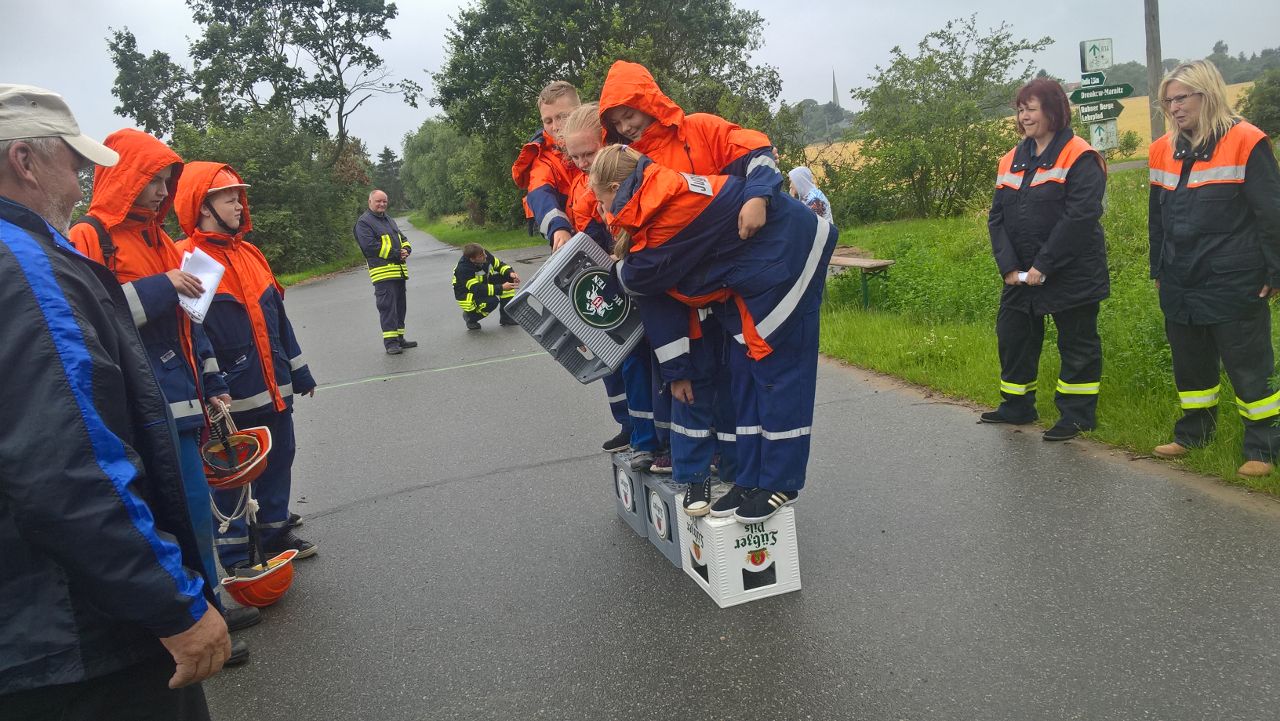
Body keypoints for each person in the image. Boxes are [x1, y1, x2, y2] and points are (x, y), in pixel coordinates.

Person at [0, 83, 228, 720]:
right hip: (81, 632)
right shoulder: (23, 268)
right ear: (24, 161)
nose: (79, 185)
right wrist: (173, 604)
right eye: (73, 165)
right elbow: (68, 466)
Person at [68, 128, 258, 661]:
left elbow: (187, 320)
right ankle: (187, 620)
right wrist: (163, 285)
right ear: (125, 178)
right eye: (153, 179)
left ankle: (209, 605)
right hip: (140, 408)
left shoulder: (158, 240)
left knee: (194, 509)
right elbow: (93, 319)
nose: (161, 191)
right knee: (161, 516)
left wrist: (214, 383)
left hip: (183, 398)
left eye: (166, 180)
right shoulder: (90, 237)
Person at [591, 144, 837, 523]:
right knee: (752, 378)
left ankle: (781, 483)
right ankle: (751, 479)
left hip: (789, 259)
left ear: (616, 185)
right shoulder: (654, 200)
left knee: (782, 378)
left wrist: (619, 271)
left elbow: (645, 273)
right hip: (756, 275)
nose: (602, 211)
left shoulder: (667, 206)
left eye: (602, 200)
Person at [173, 161, 320, 570]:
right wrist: (211, 384)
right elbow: (190, 335)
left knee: (280, 455)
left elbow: (277, 320)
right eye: (229, 197)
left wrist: (300, 371)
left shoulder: (251, 253)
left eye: (239, 196)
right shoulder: (189, 260)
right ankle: (237, 556)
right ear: (203, 206)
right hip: (229, 398)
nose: (239, 204)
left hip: (275, 388)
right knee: (233, 475)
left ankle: (273, 534)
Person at [1148, 60, 1280, 478]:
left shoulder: (1246, 140)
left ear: (1207, 94)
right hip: (1179, 278)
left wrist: (1275, 272)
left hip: (1233, 277)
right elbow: (1157, 218)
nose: (1174, 107)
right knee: (1191, 366)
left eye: (1181, 98)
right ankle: (1193, 435)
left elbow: (1271, 214)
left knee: (1249, 367)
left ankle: (1263, 448)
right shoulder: (1161, 149)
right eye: (1168, 101)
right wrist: (1158, 268)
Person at [982, 77, 1109, 442]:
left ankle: (1077, 415)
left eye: (1031, 109)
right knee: (1013, 335)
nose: (1023, 117)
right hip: (1020, 273)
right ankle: (1017, 405)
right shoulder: (1011, 158)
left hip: (1072, 270)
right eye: (1020, 110)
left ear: (1053, 111)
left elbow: (1080, 217)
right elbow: (997, 218)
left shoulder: (1079, 155)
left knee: (1077, 344)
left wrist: (1044, 265)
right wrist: (1008, 267)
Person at [561, 103, 660, 468]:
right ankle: (641, 437)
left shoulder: (632, 170)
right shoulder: (587, 181)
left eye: (588, 153)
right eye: (576, 157)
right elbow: (593, 232)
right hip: (621, 279)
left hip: (645, 281)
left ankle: (656, 441)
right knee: (631, 363)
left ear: (605, 139)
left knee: (660, 367)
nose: (583, 161)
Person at [512, 80, 580, 251]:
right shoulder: (543, 159)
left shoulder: (604, 138)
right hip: (575, 240)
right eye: (548, 121)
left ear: (579, 111)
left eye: (562, 117)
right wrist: (558, 228)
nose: (556, 127)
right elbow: (540, 194)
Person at [354, 189, 414, 355]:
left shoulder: (388, 219)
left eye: (384, 201)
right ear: (370, 202)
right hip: (382, 273)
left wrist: (407, 249)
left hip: (398, 271)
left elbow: (402, 238)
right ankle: (391, 343)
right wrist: (396, 253)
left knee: (400, 307)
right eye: (378, 201)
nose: (382, 204)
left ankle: (400, 339)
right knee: (387, 308)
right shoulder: (364, 222)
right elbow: (369, 247)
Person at [452, 242, 520, 330]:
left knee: (508, 279)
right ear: (472, 259)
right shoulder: (463, 269)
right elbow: (477, 289)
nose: (485, 256)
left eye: (484, 253)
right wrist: (502, 288)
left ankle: (506, 318)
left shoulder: (483, 254)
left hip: (483, 284)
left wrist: (511, 273)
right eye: (481, 256)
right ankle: (470, 317)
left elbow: (499, 265)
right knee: (492, 301)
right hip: (468, 295)